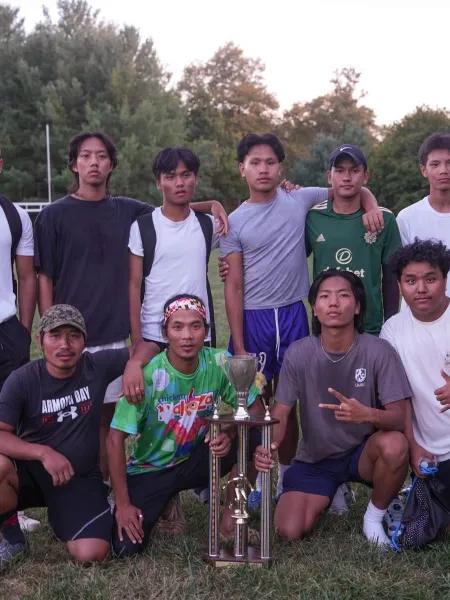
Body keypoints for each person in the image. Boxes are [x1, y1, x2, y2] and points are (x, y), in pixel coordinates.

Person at [34, 131, 227, 481]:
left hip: (113, 333)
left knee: (111, 417)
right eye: (86, 156)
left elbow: (172, 209)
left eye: (101, 156)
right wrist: (51, 328)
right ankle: (74, 485)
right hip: (71, 335)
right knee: (74, 417)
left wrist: (212, 204)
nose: (94, 162)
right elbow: (44, 277)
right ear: (74, 164)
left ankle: (109, 483)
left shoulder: (127, 211)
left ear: (111, 164)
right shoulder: (52, 215)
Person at [220, 133, 383, 502]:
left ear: (281, 167)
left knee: (295, 402)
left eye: (270, 162)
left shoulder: (299, 198)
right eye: (255, 162)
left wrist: (371, 203)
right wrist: (240, 344)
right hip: (255, 320)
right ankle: (257, 482)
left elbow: (348, 188)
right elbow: (233, 285)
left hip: (294, 313)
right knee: (258, 405)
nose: (263, 169)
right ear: (242, 168)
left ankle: (289, 477)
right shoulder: (234, 221)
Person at [254, 269, 411, 547]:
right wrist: (269, 447)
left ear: (358, 306)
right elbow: (281, 413)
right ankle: (330, 489)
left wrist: (367, 414)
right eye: (325, 296)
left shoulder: (379, 351)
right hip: (316, 459)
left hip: (363, 454)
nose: (334, 303)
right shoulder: (298, 353)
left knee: (395, 445)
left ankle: (374, 517)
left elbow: (400, 418)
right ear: (315, 309)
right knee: (288, 530)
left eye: (343, 295)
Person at [0, 305, 156, 570]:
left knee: (91, 554)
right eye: (55, 335)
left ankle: (68, 516)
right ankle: (14, 540)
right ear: (40, 340)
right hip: (31, 474)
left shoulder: (94, 366)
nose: (65, 344)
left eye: (73, 335)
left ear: (85, 341)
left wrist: (133, 363)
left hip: (78, 477)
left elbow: (149, 347)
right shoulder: (22, 380)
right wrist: (43, 453)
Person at [107, 294, 262, 556]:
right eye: (177, 327)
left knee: (252, 438)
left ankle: (231, 519)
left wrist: (229, 431)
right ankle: (165, 502)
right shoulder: (147, 376)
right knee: (125, 549)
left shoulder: (219, 362)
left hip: (197, 457)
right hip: (151, 469)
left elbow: (255, 411)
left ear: (206, 331)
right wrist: (123, 505)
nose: (187, 336)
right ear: (165, 333)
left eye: (195, 326)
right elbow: (114, 439)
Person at [380, 240, 450, 533]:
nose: (421, 289)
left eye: (430, 279)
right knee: (420, 532)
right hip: (431, 453)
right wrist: (413, 447)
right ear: (399, 285)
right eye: (411, 281)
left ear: (444, 279)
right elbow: (400, 399)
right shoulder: (392, 331)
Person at [129, 146, 221, 352]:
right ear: (158, 183)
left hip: (198, 333)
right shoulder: (143, 227)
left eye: (186, 175)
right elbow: (134, 286)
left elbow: (244, 242)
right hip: (154, 335)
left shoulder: (209, 225)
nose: (179, 183)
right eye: (170, 177)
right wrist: (136, 339)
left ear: (196, 179)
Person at [307, 144, 401, 337]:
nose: (347, 177)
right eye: (339, 170)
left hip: (370, 327)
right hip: (326, 325)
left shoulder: (384, 219)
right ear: (329, 176)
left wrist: (391, 325)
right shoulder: (312, 217)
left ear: (366, 176)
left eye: (354, 171)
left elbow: (391, 278)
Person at [0, 147, 40, 533]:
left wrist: (24, 331)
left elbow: (27, 277)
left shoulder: (15, 215)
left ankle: (12, 507)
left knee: (9, 421)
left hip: (7, 330)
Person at [396, 134, 450, 297]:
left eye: (449, 163)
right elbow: (400, 276)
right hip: (420, 311)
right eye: (435, 164)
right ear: (423, 170)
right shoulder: (406, 218)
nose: (443, 170)